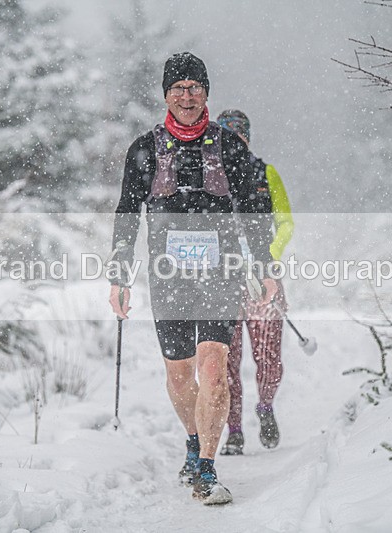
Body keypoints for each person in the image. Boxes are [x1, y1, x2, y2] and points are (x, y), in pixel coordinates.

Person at [108, 52, 277, 505]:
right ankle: (191, 439)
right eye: (178, 88)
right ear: (166, 94)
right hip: (169, 277)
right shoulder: (145, 149)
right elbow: (127, 213)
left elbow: (256, 211)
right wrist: (119, 275)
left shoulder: (230, 147)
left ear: (206, 93)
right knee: (181, 378)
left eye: (195, 87)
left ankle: (206, 466)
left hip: (220, 275)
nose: (187, 96)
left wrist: (262, 264)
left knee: (214, 369)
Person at [216, 109, 294, 455]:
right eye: (227, 133)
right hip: (222, 281)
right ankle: (233, 429)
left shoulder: (266, 173)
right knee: (226, 361)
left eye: (240, 133)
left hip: (264, 278)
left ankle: (265, 407)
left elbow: (286, 223)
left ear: (248, 136)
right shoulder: (210, 178)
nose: (234, 139)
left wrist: (269, 259)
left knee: (269, 358)